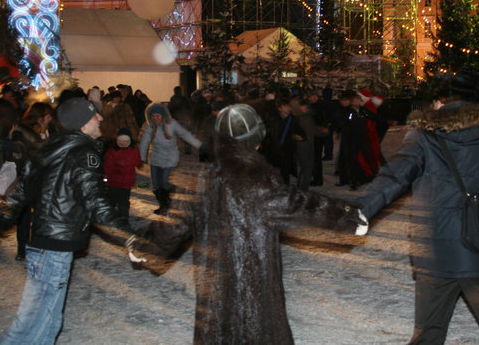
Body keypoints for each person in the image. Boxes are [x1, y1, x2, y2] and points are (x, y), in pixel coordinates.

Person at [128, 104, 367, 344]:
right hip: (252, 284)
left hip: (216, 287)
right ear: (257, 139)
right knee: (255, 331)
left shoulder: (206, 177)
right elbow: (299, 204)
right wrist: (346, 216)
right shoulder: (259, 180)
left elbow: (178, 222)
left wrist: (147, 245)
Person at [355, 72, 479, 343]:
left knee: (429, 332)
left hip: (435, 251)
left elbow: (395, 177)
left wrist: (358, 210)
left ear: (439, 101)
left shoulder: (423, 136)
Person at [0, 97, 135, 344]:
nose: (100, 118)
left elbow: (20, 193)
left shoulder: (47, 148)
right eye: (94, 116)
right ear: (81, 124)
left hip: (42, 244)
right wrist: (129, 236)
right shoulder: (84, 152)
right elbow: (96, 203)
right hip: (55, 247)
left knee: (37, 320)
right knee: (41, 322)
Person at [9, 101, 56, 261]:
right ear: (40, 117)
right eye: (48, 116)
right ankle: (22, 248)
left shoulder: (49, 131)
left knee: (41, 216)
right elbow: (17, 156)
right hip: (26, 179)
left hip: (44, 180)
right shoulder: (22, 132)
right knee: (23, 217)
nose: (51, 119)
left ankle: (37, 246)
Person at [139, 102, 202, 214]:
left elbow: (184, 134)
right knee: (156, 184)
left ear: (163, 115)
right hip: (156, 158)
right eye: (153, 116)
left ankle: (166, 201)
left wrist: (199, 145)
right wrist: (141, 157)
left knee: (163, 181)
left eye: (157, 116)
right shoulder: (150, 126)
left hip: (170, 157)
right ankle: (163, 204)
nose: (155, 118)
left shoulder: (172, 124)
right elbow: (144, 142)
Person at [103, 128, 142, 221]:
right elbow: (107, 165)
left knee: (124, 200)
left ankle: (123, 216)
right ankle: (109, 213)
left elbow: (137, 160)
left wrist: (139, 163)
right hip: (114, 181)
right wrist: (106, 176)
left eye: (125, 141)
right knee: (112, 199)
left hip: (127, 182)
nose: (123, 143)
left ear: (129, 141)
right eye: (120, 141)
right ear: (117, 141)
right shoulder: (112, 151)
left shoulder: (134, 149)